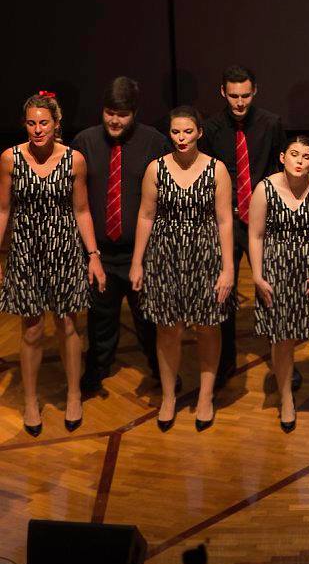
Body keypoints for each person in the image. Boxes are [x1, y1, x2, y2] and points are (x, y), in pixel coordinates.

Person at [0, 91, 105, 436]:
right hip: (26, 250)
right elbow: (3, 210)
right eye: (31, 123)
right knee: (31, 329)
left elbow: (82, 210)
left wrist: (93, 256)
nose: (37, 129)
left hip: (64, 249)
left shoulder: (73, 160)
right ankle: (30, 401)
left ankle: (74, 394)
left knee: (67, 325)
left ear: (56, 124)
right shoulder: (10, 159)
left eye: (43, 122)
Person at [131, 106, 236, 432]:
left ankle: (205, 396)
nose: (181, 138)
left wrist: (228, 268)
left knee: (207, 327)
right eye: (176, 132)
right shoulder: (156, 169)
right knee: (168, 329)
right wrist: (137, 262)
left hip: (205, 258)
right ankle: (168, 396)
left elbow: (224, 220)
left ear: (199, 133)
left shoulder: (216, 170)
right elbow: (146, 215)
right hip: (164, 258)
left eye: (187, 132)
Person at [74, 77, 170, 394]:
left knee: (147, 318)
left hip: (142, 252)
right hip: (99, 251)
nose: (115, 120)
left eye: (123, 113)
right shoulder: (85, 142)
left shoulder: (154, 142)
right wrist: (90, 254)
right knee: (101, 317)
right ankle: (96, 370)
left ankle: (160, 370)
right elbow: (77, 201)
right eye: (109, 112)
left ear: (135, 112)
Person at [249, 136, 309, 433]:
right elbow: (255, 235)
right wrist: (257, 274)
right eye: (294, 154)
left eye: (306, 156)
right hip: (277, 272)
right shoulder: (265, 189)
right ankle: (287, 399)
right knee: (282, 339)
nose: (300, 161)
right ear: (282, 157)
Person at [202, 65, 287, 390]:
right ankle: (224, 364)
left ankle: (282, 359)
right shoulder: (210, 129)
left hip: (264, 222)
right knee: (223, 292)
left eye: (245, 96)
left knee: (272, 289)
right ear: (223, 93)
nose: (239, 102)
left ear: (255, 92)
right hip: (226, 223)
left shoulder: (271, 123)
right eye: (233, 96)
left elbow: (280, 169)